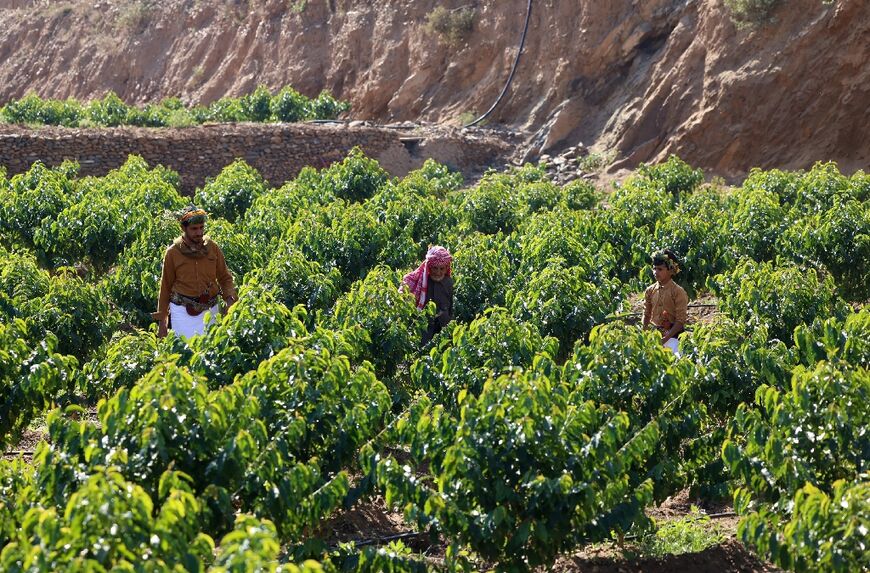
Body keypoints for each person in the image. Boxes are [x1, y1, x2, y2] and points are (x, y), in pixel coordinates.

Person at [153, 205, 237, 338]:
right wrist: (162, 323)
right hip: (182, 312)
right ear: (183, 228)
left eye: (201, 228)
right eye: (194, 229)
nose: (199, 233)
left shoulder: (212, 248)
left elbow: (225, 278)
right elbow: (165, 288)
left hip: (210, 309)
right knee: (186, 352)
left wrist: (230, 299)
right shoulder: (173, 253)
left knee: (211, 350)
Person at [401, 246, 454, 344]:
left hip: (443, 326)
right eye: (435, 268)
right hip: (424, 329)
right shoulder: (421, 282)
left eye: (442, 269)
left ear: (446, 268)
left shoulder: (448, 283)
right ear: (429, 267)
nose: (438, 272)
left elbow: (451, 305)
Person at [642, 249, 688, 355]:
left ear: (670, 271)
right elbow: (646, 314)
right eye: (654, 269)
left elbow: (680, 321)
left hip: (674, 338)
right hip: (655, 336)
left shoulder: (678, 292)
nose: (655, 272)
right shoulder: (650, 290)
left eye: (660, 269)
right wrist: (645, 333)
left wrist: (664, 339)